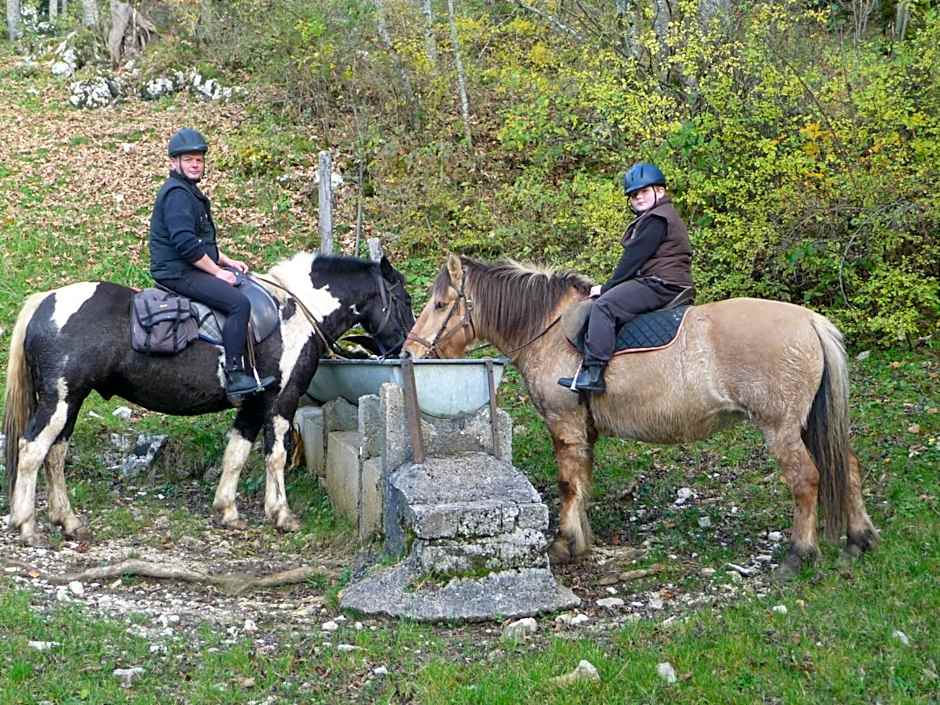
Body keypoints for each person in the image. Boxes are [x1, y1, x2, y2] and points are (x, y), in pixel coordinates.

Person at [149, 127, 274, 397]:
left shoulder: (188, 191)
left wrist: (227, 260)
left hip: (186, 265)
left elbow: (198, 241)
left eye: (199, 159)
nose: (196, 164)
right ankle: (234, 375)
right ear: (174, 163)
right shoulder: (177, 194)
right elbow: (185, 244)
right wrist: (218, 272)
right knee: (238, 303)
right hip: (177, 271)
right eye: (189, 159)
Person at [558, 162, 693, 393]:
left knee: (604, 307)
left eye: (643, 191)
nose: (638, 197)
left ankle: (593, 373)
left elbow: (633, 259)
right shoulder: (660, 215)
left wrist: (607, 288)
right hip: (664, 280)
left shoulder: (657, 219)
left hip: (661, 283)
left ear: (659, 191)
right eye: (633, 195)